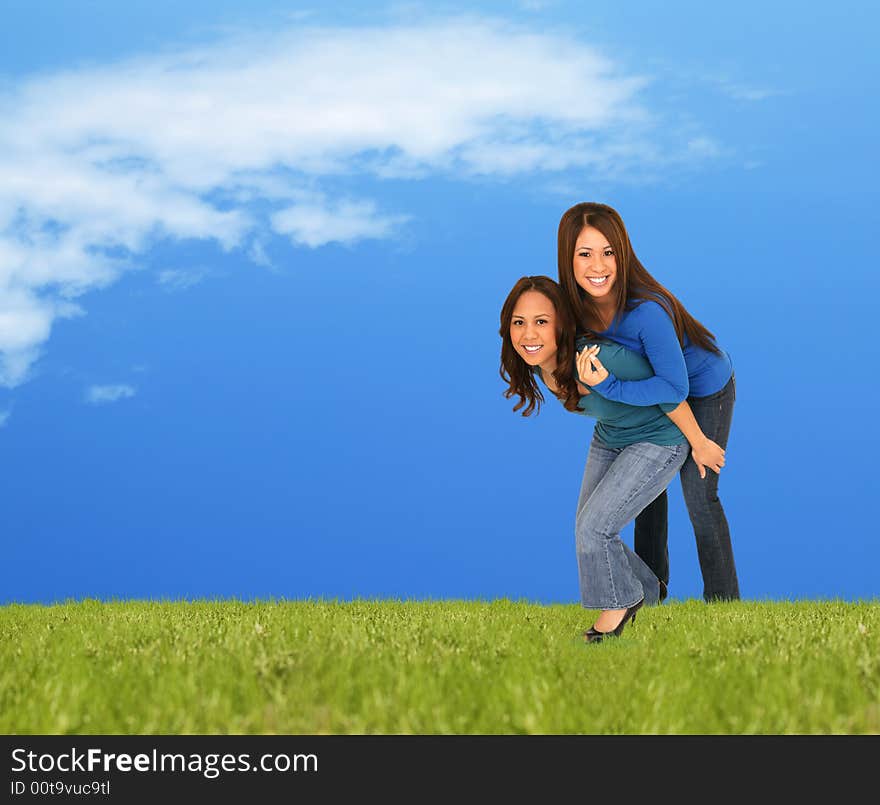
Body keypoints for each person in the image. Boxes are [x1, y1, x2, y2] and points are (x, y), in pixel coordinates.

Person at [499, 276, 722, 642]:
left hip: (659, 440)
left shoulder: (599, 357)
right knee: (586, 527)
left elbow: (668, 393)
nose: (528, 334)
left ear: (562, 324)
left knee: (594, 529)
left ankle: (615, 609)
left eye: (541, 321)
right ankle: (647, 592)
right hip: (610, 437)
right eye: (519, 323)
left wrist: (699, 442)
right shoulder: (540, 365)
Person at [557, 202, 739, 602]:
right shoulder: (578, 311)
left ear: (623, 254)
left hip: (702, 388)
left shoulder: (646, 311)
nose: (597, 265)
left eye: (608, 252)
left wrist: (611, 387)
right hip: (650, 387)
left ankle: (724, 603)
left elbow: (673, 389)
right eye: (584, 254)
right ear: (567, 258)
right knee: (648, 488)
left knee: (699, 495)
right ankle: (652, 590)